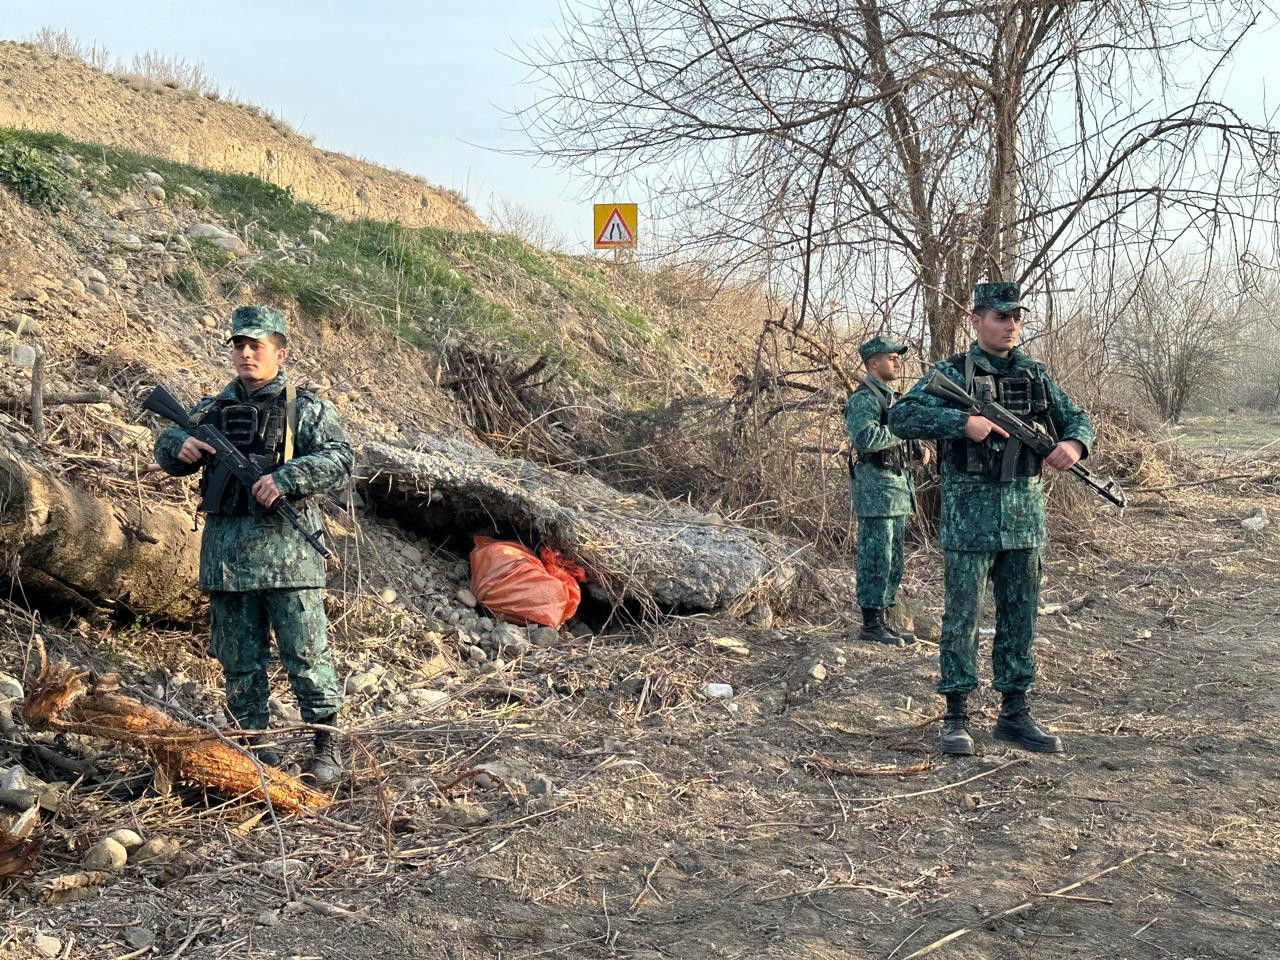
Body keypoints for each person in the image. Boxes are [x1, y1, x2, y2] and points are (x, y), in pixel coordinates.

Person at [888, 283, 1095, 756]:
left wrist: (1074, 445)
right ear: (976, 320)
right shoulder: (950, 373)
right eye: (1000, 317)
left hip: (1025, 520)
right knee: (961, 618)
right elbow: (902, 416)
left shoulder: (1035, 375)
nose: (1010, 326)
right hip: (969, 520)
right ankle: (956, 715)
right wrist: (962, 423)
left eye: (1016, 317)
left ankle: (1014, 714)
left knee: (1019, 617)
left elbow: (1077, 418)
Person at [153, 305, 354, 783]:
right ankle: (252, 747)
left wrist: (287, 477)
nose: (246, 353)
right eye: (239, 345)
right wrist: (176, 447)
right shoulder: (212, 409)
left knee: (306, 656)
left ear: (279, 353)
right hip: (227, 559)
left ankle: (327, 748)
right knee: (239, 660)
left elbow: (341, 458)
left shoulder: (306, 408)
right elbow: (168, 441)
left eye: (256, 345)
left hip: (289, 558)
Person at [844, 335, 930, 647]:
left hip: (896, 488)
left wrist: (917, 449)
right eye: (890, 356)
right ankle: (871, 625)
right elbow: (866, 438)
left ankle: (885, 622)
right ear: (872, 363)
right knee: (876, 557)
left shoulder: (892, 397)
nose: (897, 360)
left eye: (897, 356)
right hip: (876, 489)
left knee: (893, 559)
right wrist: (901, 432)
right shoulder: (864, 398)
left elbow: (897, 433)